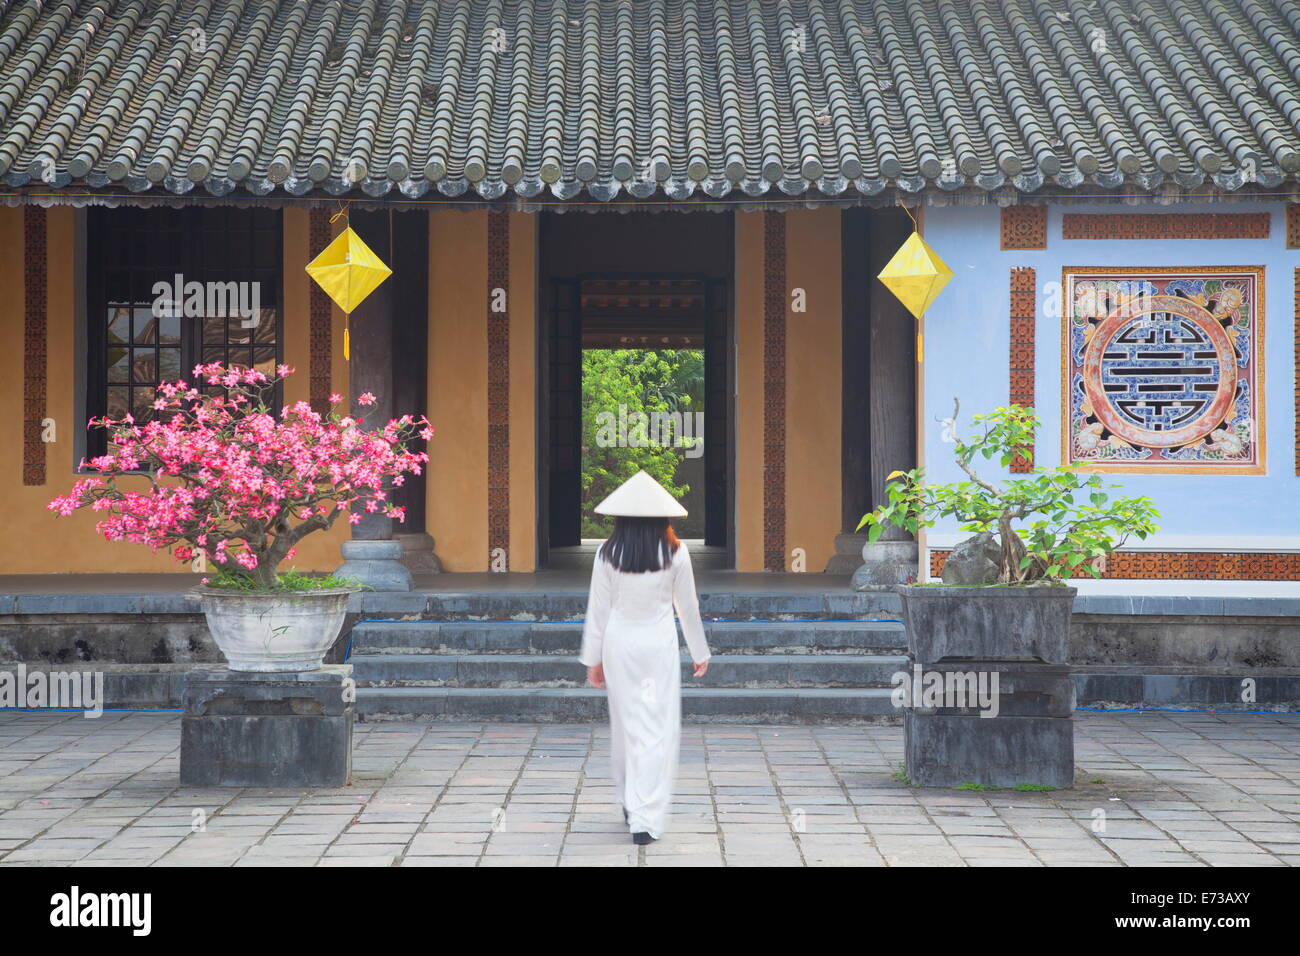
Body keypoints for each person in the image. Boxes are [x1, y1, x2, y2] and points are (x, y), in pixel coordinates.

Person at [579, 470, 711, 845]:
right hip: (657, 647)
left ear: (620, 517)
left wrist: (593, 658)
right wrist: (699, 651)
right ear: (662, 517)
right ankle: (644, 817)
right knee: (655, 728)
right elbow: (687, 607)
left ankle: (628, 799)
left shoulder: (607, 553)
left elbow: (598, 609)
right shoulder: (675, 552)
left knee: (625, 726)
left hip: (618, 645)